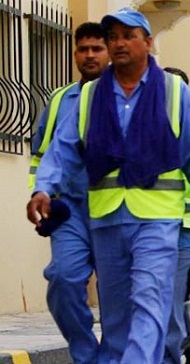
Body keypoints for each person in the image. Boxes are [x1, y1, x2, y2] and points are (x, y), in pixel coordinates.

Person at [27, 8, 190, 363]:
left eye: (128, 35)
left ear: (148, 42)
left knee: (149, 300)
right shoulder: (90, 96)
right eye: (113, 37)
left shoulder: (174, 92)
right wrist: (43, 188)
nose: (118, 43)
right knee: (116, 318)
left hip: (157, 220)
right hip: (106, 218)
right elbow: (63, 148)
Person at [26, 21, 109, 364]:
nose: (88, 55)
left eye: (96, 48)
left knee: (117, 296)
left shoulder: (125, 94)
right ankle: (87, 354)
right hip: (70, 210)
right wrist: (41, 192)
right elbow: (44, 153)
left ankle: (115, 356)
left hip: (115, 209)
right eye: (82, 49)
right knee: (62, 279)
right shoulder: (61, 99)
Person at [161, 67, 190, 364]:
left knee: (174, 294)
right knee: (168, 294)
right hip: (156, 222)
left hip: (188, 228)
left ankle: (175, 351)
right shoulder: (147, 123)